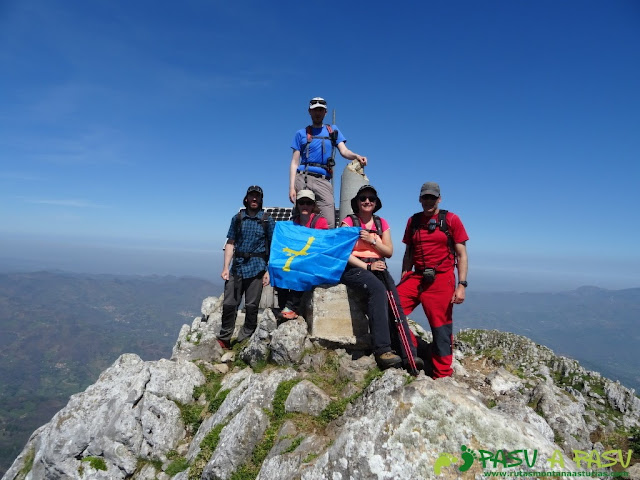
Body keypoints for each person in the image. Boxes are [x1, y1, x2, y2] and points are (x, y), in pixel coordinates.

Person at [340, 185, 422, 371]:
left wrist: (372, 240)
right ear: (357, 202)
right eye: (363, 198)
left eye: (371, 198)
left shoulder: (381, 223)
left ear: (376, 203)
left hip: (379, 266)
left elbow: (389, 251)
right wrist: (367, 266)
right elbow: (343, 252)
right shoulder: (349, 222)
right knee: (377, 290)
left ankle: (408, 353)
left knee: (395, 301)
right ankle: (383, 349)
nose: (367, 201)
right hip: (355, 267)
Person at [396, 182, 469, 378]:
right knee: (390, 306)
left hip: (442, 279)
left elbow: (461, 254)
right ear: (420, 199)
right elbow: (408, 252)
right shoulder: (413, 221)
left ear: (439, 199)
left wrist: (461, 285)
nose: (428, 201)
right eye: (425, 197)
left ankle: (442, 374)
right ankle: (416, 348)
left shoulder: (451, 220)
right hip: (417, 276)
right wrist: (405, 274)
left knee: (441, 328)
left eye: (432, 197)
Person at [289, 97, 368, 228]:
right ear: (309, 111)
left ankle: (323, 248)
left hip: (324, 180)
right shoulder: (301, 133)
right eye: (315, 110)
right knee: (300, 218)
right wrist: (291, 187)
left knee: (329, 222)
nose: (317, 113)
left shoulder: (333, 131)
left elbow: (344, 151)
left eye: (320, 110)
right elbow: (294, 162)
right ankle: (300, 247)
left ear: (325, 112)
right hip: (304, 178)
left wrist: (356, 156)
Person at [217, 185, 275, 349]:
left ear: (261, 199)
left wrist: (268, 271)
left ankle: (244, 339)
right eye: (252, 196)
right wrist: (225, 267)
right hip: (237, 267)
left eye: (257, 196)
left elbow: (273, 246)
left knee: (251, 306)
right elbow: (230, 243)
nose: (254, 199)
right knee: (229, 304)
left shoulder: (267, 220)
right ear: (247, 198)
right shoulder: (237, 218)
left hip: (257, 268)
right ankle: (224, 338)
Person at [276, 189, 329, 320]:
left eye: (308, 203)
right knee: (278, 268)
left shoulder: (320, 221)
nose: (305, 205)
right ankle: (284, 305)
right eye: (301, 202)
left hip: (314, 261)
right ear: (297, 205)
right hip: (297, 257)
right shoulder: (293, 222)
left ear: (313, 205)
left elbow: (321, 245)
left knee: (301, 270)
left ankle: (292, 307)